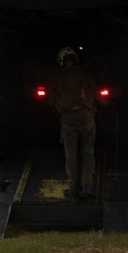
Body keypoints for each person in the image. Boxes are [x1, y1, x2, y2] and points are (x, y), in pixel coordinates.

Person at [51, 46, 97, 200]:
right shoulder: (84, 75)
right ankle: (87, 186)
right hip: (86, 117)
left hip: (68, 120)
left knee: (71, 156)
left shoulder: (58, 79)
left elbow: (51, 100)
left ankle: (73, 189)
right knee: (87, 153)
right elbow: (94, 92)